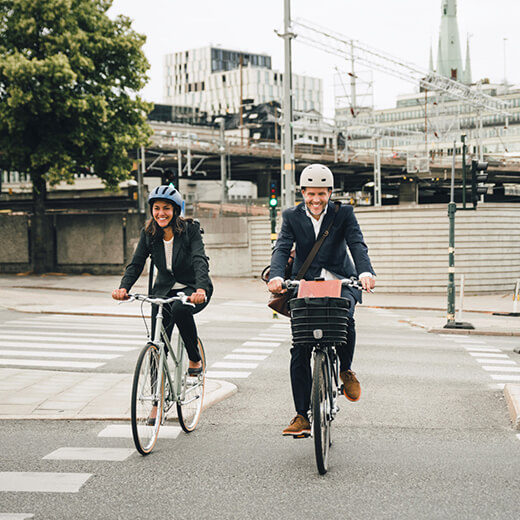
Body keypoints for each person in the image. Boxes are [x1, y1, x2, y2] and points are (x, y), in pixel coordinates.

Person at [267, 164, 376, 437]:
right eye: (311, 193)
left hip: (342, 280)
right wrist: (277, 276)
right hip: (306, 283)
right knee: (300, 346)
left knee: (346, 319)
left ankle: (346, 370)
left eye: (322, 194)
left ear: (330, 192)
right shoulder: (291, 216)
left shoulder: (344, 214)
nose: (316, 200)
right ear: (302, 192)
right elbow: (282, 247)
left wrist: (365, 271)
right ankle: (302, 416)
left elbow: (357, 243)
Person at [112, 185, 213, 377]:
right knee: (157, 343)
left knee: (180, 310)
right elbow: (136, 263)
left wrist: (200, 289)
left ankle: (194, 357)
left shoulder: (190, 230)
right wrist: (123, 288)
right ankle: (155, 401)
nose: (161, 213)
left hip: (192, 289)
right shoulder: (149, 234)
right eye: (156, 208)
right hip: (163, 291)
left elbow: (199, 260)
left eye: (166, 208)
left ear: (175, 210)